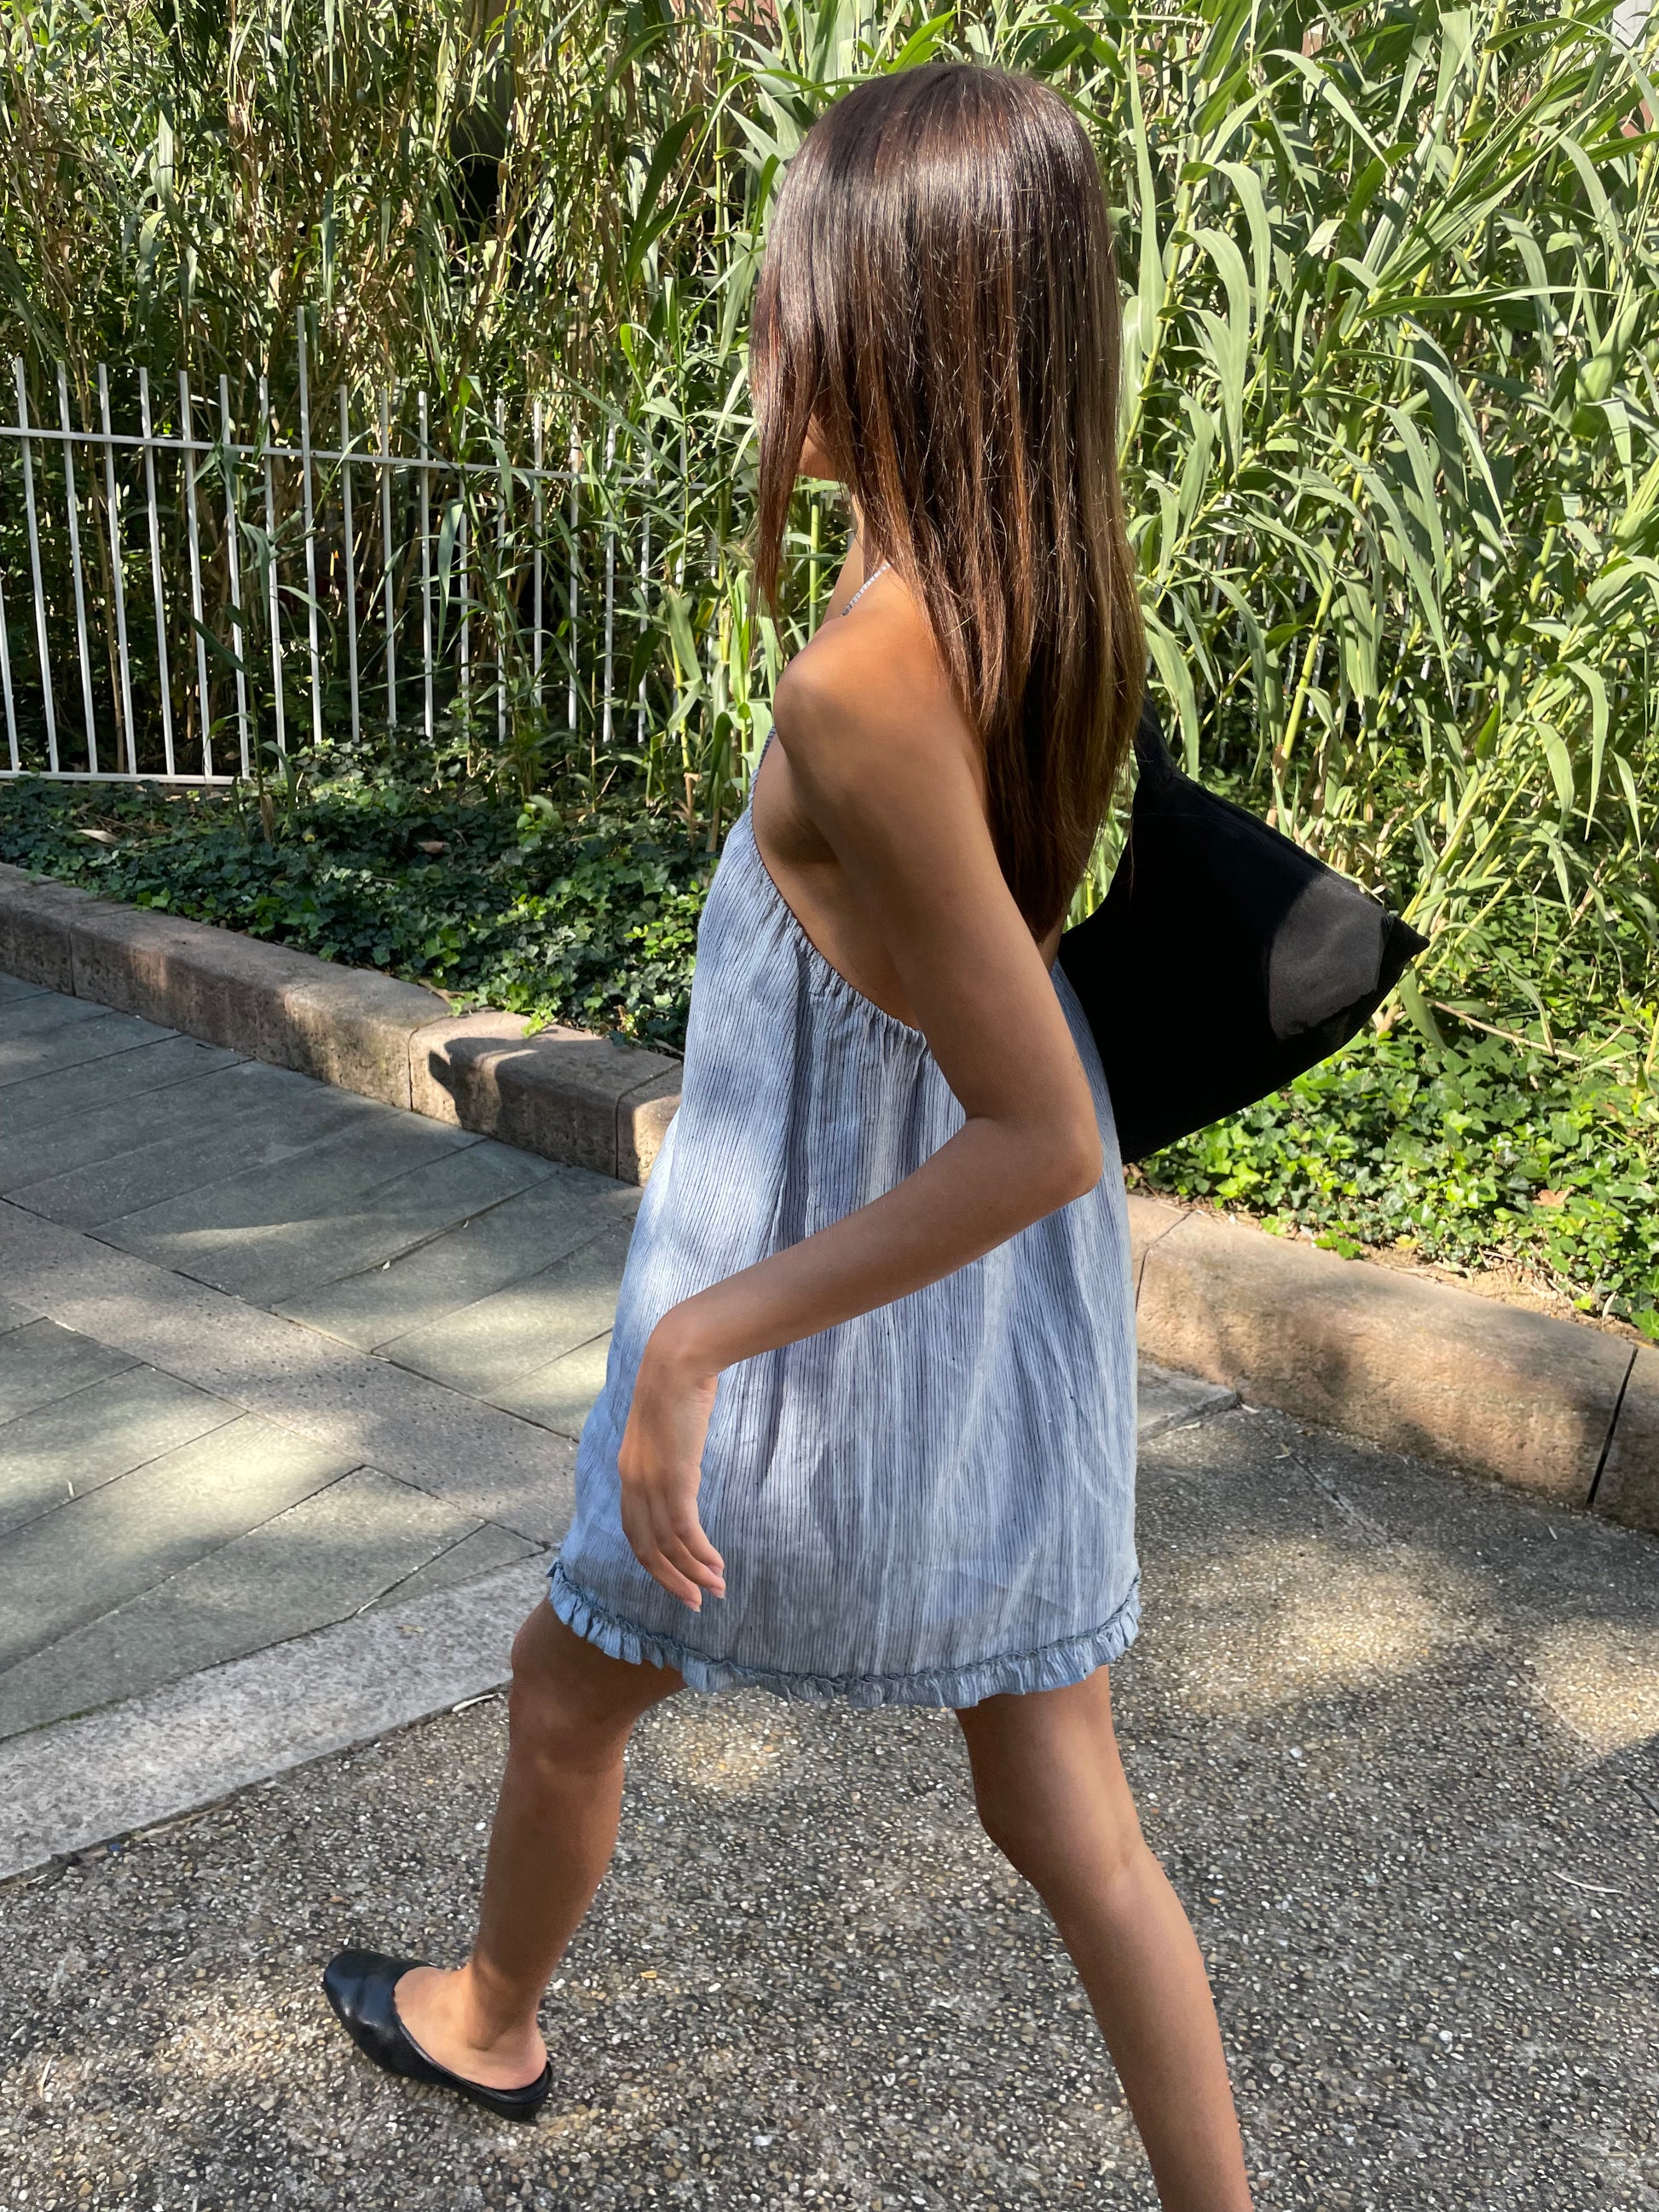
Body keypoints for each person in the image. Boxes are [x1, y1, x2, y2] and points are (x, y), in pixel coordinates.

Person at [324, 61, 1253, 2211]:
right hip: (990, 1331)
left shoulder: (863, 674)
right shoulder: (1029, 596)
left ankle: (487, 2010)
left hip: (817, 1333)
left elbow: (1023, 1119)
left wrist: (690, 1345)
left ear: (901, 338)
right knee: (1062, 1799)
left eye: (790, 306)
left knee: (566, 1686)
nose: (758, 351)